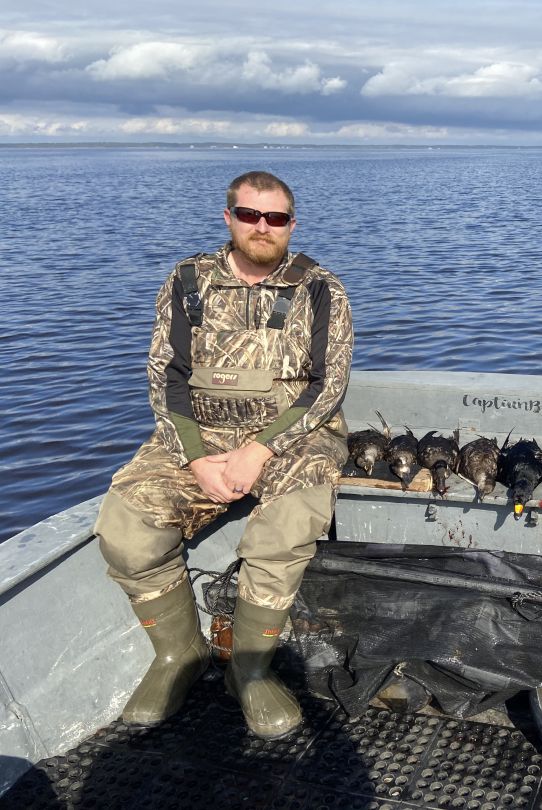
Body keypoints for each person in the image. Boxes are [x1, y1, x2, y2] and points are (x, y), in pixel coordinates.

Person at [94, 171, 352, 740]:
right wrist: (194, 458)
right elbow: (168, 377)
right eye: (249, 215)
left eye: (276, 218)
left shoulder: (320, 289)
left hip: (295, 435)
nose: (263, 227)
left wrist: (259, 450)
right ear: (228, 217)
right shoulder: (188, 282)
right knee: (125, 529)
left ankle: (249, 670)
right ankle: (178, 655)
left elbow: (326, 387)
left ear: (292, 224)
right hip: (201, 436)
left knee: (285, 530)